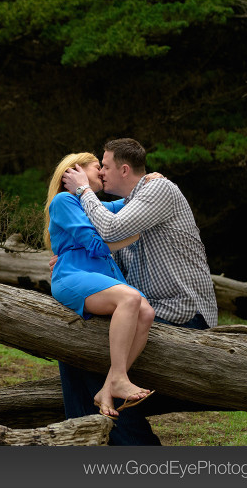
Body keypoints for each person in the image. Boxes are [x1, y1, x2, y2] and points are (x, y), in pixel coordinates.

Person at [55, 138, 218, 445]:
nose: (101, 172)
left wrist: (83, 190)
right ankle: (80, 440)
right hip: (149, 310)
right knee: (74, 347)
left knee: (94, 353)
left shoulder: (158, 190)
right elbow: (104, 250)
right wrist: (69, 256)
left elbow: (111, 232)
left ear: (124, 169)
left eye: (104, 166)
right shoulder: (128, 208)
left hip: (183, 313)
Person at [44, 152, 156, 419]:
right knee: (129, 299)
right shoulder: (64, 200)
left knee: (146, 312)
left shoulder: (92, 205)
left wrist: (150, 181)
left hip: (102, 276)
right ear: (75, 171)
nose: (103, 173)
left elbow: (131, 205)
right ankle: (118, 377)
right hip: (74, 274)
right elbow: (95, 245)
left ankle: (107, 388)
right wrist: (131, 236)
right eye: (98, 167)